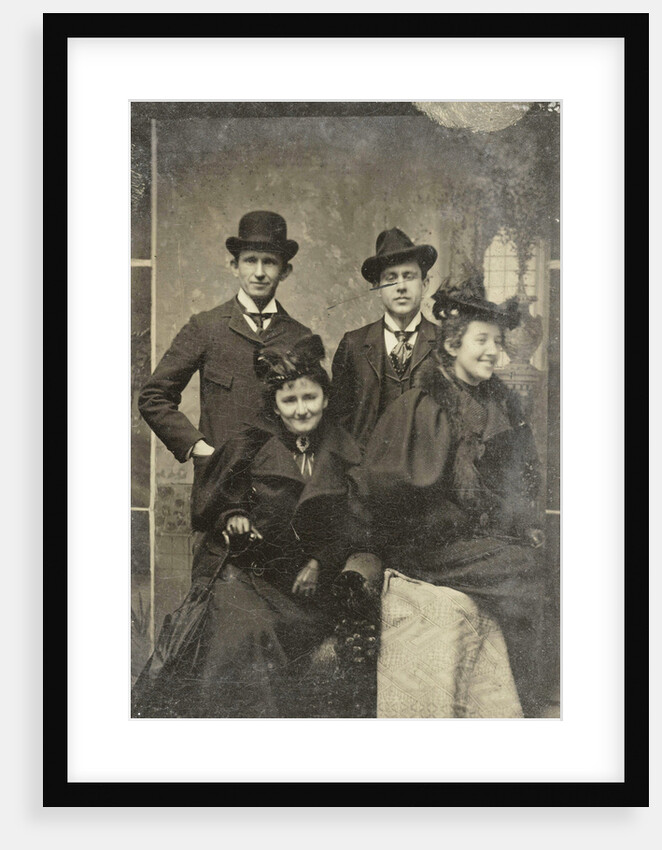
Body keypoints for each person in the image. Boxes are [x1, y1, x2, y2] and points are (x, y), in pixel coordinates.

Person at [135, 335, 365, 718]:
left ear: (325, 398)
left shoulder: (346, 451)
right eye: (289, 400)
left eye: (309, 398)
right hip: (249, 574)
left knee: (271, 634)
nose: (301, 409)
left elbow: (356, 519)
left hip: (305, 587)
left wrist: (321, 561)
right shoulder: (251, 442)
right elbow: (215, 501)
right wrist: (233, 516)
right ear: (275, 405)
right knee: (239, 629)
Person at [357, 276, 546, 717]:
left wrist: (519, 523)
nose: (492, 353)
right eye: (482, 340)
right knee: (528, 570)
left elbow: (519, 482)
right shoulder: (423, 404)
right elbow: (396, 491)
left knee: (535, 563)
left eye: (498, 343)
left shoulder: (499, 405)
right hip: (428, 545)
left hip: (471, 542)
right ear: (453, 344)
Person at [138, 210, 311, 505]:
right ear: (234, 266)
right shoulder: (206, 327)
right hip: (219, 491)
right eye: (250, 260)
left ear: (285, 271)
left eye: (269, 262)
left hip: (282, 495)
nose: (259, 272)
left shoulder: (300, 337)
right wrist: (198, 447)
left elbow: (312, 415)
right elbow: (154, 396)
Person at [331, 228, 439, 449]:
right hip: (365, 477)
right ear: (377, 287)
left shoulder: (444, 344)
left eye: (409, 276)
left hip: (427, 478)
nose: (400, 287)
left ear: (425, 284)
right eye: (391, 278)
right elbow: (338, 424)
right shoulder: (353, 344)